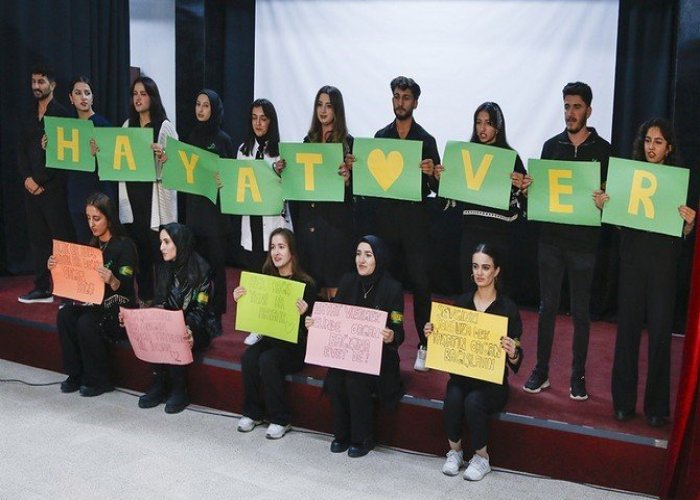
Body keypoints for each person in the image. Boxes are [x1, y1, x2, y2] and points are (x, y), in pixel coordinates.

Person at [601, 119, 696, 427]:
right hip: (632, 263)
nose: (651, 146)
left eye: (658, 142)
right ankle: (623, 404)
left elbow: (683, 232)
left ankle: (657, 408)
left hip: (664, 268)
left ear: (669, 148)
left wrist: (691, 224)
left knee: (659, 338)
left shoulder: (679, 183)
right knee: (626, 333)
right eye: (647, 140)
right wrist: (606, 207)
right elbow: (618, 223)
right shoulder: (628, 178)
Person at [523, 82, 611, 401]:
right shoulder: (550, 147)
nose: (570, 112)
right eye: (566, 106)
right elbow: (541, 194)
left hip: (585, 245)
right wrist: (531, 188)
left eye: (576, 107)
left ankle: (578, 375)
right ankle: (541, 370)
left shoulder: (604, 150)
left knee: (581, 313)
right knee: (546, 308)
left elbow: (611, 198)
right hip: (551, 241)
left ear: (589, 110)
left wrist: (605, 200)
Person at [424, 243, 522, 481]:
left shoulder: (508, 308)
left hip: (492, 383)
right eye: (476, 267)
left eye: (486, 267)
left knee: (474, 402)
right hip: (462, 376)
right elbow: (448, 341)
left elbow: (517, 359)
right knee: (454, 397)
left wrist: (512, 352)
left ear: (496, 271)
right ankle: (455, 452)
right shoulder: (462, 302)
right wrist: (433, 333)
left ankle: (481, 458)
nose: (479, 272)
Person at [306, 235, 404, 458]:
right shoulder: (348, 281)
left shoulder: (392, 288)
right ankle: (341, 434)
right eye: (359, 254)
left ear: (378, 258)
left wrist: (391, 335)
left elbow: (399, 330)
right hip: (347, 355)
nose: (361, 259)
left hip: (380, 358)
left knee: (354, 380)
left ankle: (362, 438)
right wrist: (316, 323)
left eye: (368, 255)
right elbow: (334, 319)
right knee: (336, 378)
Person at [373, 76, 440, 372]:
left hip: (415, 225)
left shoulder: (426, 139)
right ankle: (383, 341)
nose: (401, 102)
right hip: (386, 224)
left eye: (406, 97)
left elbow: (438, 185)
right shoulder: (380, 136)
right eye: (397, 97)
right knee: (385, 285)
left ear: (416, 102)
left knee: (422, 286)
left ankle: (424, 346)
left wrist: (432, 173)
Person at [436, 102, 530, 295]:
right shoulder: (464, 155)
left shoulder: (510, 157)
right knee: (470, 287)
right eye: (478, 122)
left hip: (500, 233)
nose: (482, 128)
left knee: (498, 291)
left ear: (498, 126)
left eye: (488, 122)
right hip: (471, 231)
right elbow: (448, 199)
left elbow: (524, 201)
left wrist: (523, 187)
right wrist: (440, 180)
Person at [233, 228, 316, 439]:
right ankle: (253, 413)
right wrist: (240, 298)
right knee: (249, 357)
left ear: (292, 252)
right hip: (270, 338)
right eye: (272, 247)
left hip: (294, 345)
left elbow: (313, 327)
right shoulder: (265, 278)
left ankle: (281, 418)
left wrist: (306, 312)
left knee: (268, 360)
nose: (276, 252)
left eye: (281, 247)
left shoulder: (306, 284)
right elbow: (255, 313)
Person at [51, 192, 137, 396]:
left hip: (118, 308)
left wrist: (112, 279)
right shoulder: (92, 245)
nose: (92, 223)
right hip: (95, 304)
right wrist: (56, 267)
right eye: (88, 218)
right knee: (65, 315)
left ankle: (100, 380)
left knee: (86, 322)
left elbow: (125, 285)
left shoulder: (125, 246)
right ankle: (75, 374)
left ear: (109, 218)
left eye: (96, 218)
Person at [137, 222, 218, 414]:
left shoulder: (202, 269)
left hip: (198, 326)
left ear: (179, 243)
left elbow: (201, 309)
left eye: (166, 242)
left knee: (176, 331)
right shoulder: (163, 267)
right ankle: (158, 383)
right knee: (157, 327)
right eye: (160, 242)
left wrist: (188, 327)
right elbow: (160, 302)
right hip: (172, 320)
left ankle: (179, 389)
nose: (161, 247)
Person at [289, 85, 354, 300]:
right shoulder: (308, 142)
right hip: (309, 222)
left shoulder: (349, 144)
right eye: (319, 105)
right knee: (311, 283)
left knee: (334, 285)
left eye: (328, 106)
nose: (323, 110)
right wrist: (284, 170)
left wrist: (347, 180)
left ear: (337, 110)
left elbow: (357, 194)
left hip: (335, 223)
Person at [117, 76, 178, 304]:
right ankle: (145, 298)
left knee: (159, 253)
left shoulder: (164, 126)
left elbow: (177, 167)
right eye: (135, 94)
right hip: (133, 201)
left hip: (156, 203)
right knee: (139, 252)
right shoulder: (127, 126)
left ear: (152, 97)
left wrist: (164, 157)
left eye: (143, 94)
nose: (138, 99)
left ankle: (163, 300)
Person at [237, 98, 292, 344]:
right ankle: (256, 325)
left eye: (263, 118)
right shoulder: (242, 150)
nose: (258, 123)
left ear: (271, 121)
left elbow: (292, 188)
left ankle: (277, 325)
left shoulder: (281, 152)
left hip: (273, 219)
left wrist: (283, 173)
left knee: (275, 271)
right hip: (252, 219)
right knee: (254, 270)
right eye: (254, 118)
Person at [18, 64, 74, 304]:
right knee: (38, 239)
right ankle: (42, 288)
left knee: (60, 239)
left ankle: (68, 289)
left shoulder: (62, 114)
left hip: (53, 188)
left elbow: (65, 156)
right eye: (33, 82)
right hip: (31, 187)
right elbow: (19, 150)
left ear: (52, 85)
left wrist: (39, 180)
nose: (36, 86)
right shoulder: (27, 113)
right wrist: (27, 179)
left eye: (41, 82)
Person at [184, 89, 235, 335]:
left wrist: (221, 178)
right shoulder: (192, 135)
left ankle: (216, 315)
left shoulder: (223, 139)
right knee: (198, 269)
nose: (201, 109)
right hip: (195, 212)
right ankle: (198, 312)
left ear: (214, 109)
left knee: (217, 268)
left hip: (216, 215)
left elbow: (231, 177)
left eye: (206, 105)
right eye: (198, 104)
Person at [63, 76, 115, 243]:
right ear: (71, 98)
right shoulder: (66, 128)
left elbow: (114, 163)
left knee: (103, 245)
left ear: (93, 97)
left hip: (99, 193)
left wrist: (100, 154)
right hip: (76, 195)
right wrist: (48, 147)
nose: (83, 97)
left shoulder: (103, 125)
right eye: (78, 93)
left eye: (87, 93)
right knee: (83, 244)